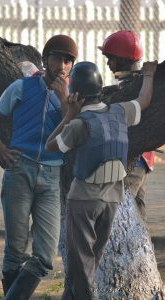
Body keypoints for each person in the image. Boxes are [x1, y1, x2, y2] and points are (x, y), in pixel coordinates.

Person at [45, 60, 157, 300]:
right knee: (92, 259)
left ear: (76, 94)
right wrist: (148, 75)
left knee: (81, 263)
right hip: (113, 200)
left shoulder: (78, 124)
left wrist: (69, 114)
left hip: (84, 200)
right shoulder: (119, 111)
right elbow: (145, 101)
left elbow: (50, 146)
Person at [0, 34, 78, 300]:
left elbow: (73, 135)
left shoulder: (71, 99)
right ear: (45, 60)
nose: (62, 64)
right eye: (57, 57)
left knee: (45, 256)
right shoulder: (21, 87)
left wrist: (65, 101)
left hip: (50, 176)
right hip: (19, 170)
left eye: (68, 60)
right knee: (15, 251)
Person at [98, 30, 155, 220]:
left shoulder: (136, 85)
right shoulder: (133, 82)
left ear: (122, 59)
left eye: (110, 58)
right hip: (143, 159)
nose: (108, 63)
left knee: (122, 211)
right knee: (137, 208)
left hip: (134, 160)